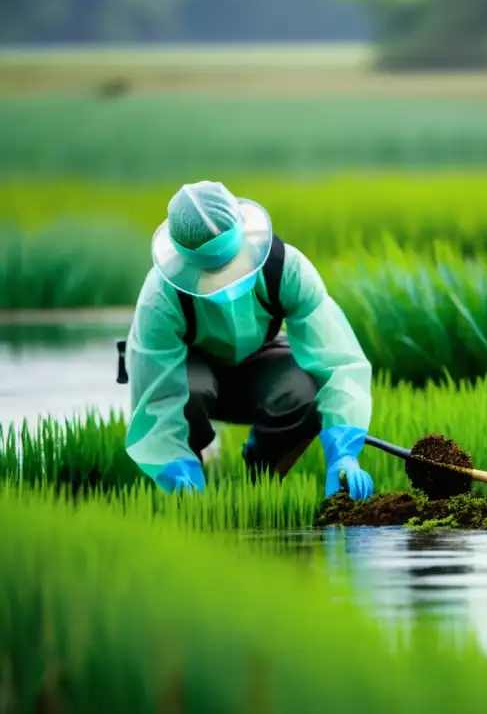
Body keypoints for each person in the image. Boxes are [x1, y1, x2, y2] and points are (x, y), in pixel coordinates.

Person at [120, 180, 374, 500]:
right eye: (212, 275)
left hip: (262, 366)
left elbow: (338, 362)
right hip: (194, 377)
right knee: (188, 391)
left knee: (305, 390)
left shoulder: (285, 268)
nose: (226, 284)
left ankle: (262, 478)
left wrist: (344, 452)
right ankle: (193, 472)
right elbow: (157, 398)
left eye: (233, 266)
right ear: (186, 263)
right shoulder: (161, 298)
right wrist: (177, 474)